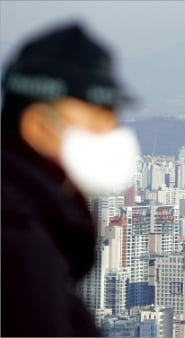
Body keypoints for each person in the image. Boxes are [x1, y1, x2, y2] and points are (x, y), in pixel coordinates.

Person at [1, 22, 139, 336]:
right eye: (95, 124)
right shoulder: (21, 248)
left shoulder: (35, 224)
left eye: (112, 122)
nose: (112, 138)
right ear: (39, 126)